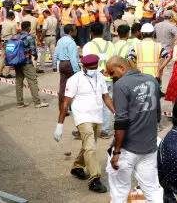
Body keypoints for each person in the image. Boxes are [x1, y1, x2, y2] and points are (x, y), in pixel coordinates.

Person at [105, 56, 164, 202]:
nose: (112, 77)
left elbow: (121, 121)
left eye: (112, 73)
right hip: (149, 147)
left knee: (119, 192)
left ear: (121, 67)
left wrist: (117, 151)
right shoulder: (152, 80)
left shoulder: (121, 85)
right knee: (153, 190)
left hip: (127, 149)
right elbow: (157, 114)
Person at [54, 54, 115, 194]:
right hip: (82, 116)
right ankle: (94, 179)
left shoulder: (99, 77)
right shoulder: (74, 80)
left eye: (96, 67)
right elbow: (65, 103)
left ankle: (77, 167)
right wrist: (60, 124)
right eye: (91, 68)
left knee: (89, 145)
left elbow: (106, 96)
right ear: (83, 67)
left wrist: (115, 112)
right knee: (91, 147)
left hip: (97, 116)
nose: (94, 70)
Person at [82, 22, 115, 139]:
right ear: (103, 33)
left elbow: (85, 63)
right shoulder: (111, 45)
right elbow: (114, 61)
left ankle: (89, 128)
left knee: (90, 103)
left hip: (93, 79)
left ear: (91, 34)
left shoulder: (88, 46)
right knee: (107, 104)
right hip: (108, 78)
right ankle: (105, 131)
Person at [9, 21, 49, 109]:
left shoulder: (15, 36)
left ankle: (20, 103)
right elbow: (33, 51)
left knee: (19, 82)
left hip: (17, 63)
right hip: (26, 62)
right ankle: (37, 102)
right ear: (28, 28)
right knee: (33, 82)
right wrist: (35, 57)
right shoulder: (29, 37)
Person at [54, 23, 80, 111]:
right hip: (69, 65)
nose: (76, 32)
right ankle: (72, 107)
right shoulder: (71, 42)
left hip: (61, 64)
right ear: (70, 31)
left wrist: (55, 65)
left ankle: (62, 108)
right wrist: (77, 70)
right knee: (74, 87)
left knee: (63, 87)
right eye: (75, 30)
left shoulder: (60, 40)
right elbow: (73, 58)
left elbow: (56, 54)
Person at [38, 8, 58, 73]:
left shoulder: (46, 20)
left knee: (43, 53)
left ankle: (41, 68)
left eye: (44, 14)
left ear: (47, 13)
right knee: (53, 52)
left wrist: (41, 38)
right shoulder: (55, 19)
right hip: (53, 37)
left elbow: (44, 30)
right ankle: (55, 67)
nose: (44, 16)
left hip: (46, 37)